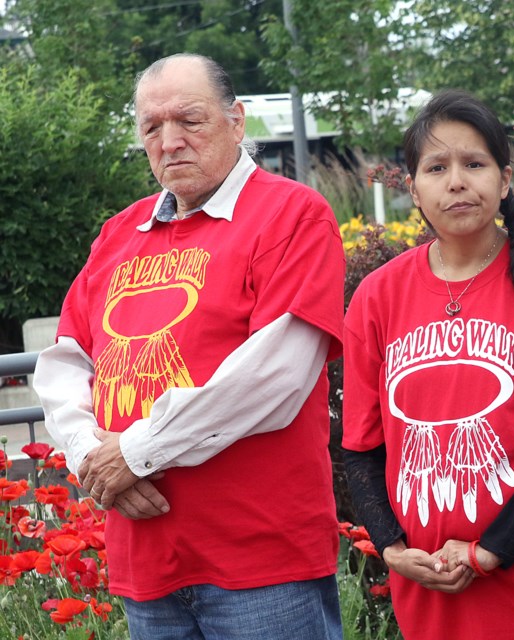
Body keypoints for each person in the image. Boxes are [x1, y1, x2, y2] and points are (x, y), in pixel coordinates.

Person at [33, 53, 345, 640]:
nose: (170, 141)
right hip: (146, 560)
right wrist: (93, 461)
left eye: (189, 120)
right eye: (152, 127)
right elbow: (64, 364)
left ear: (236, 120)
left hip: (261, 561)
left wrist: (136, 453)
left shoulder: (292, 215)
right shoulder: (119, 233)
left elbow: (274, 376)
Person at [341, 89, 514, 639]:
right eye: (436, 167)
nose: (456, 181)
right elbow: (362, 448)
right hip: (429, 596)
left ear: (504, 179)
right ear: (413, 189)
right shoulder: (376, 297)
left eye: (474, 163)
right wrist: (393, 549)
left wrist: (492, 550)